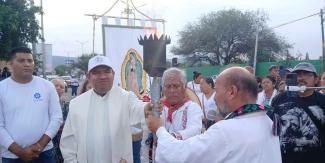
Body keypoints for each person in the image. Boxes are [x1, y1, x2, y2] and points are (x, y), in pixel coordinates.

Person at [147, 67, 282, 163]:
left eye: (216, 91)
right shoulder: (267, 121)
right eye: (168, 86)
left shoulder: (226, 131)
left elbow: (178, 154)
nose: (215, 98)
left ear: (231, 92)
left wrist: (159, 129)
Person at [60, 55, 150, 163]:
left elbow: (138, 109)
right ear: (88, 76)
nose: (103, 76)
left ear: (113, 74)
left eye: (107, 71)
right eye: (96, 72)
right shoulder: (76, 104)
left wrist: (146, 109)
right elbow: (68, 140)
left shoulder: (126, 97)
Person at [0, 47, 63, 162]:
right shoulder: (2, 88)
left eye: (30, 61)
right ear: (10, 64)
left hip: (44, 153)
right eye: (21, 60)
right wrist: (20, 152)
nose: (27, 64)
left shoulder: (47, 86)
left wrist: (40, 146)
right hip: (12, 156)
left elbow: (57, 117)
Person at [271, 62, 325, 163]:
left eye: (306, 74)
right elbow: (273, 128)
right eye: (298, 74)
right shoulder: (279, 99)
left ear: (316, 79)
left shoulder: (322, 101)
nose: (301, 78)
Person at [160, 68, 203, 140]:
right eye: (168, 86)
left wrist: (173, 137)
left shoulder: (192, 107)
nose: (172, 90)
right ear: (163, 88)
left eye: (176, 86)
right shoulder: (158, 108)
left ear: (184, 87)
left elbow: (194, 129)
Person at [51, 79, 69, 163]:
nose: (58, 88)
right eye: (56, 85)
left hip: (61, 140)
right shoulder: (40, 103)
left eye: (61, 87)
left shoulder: (66, 104)